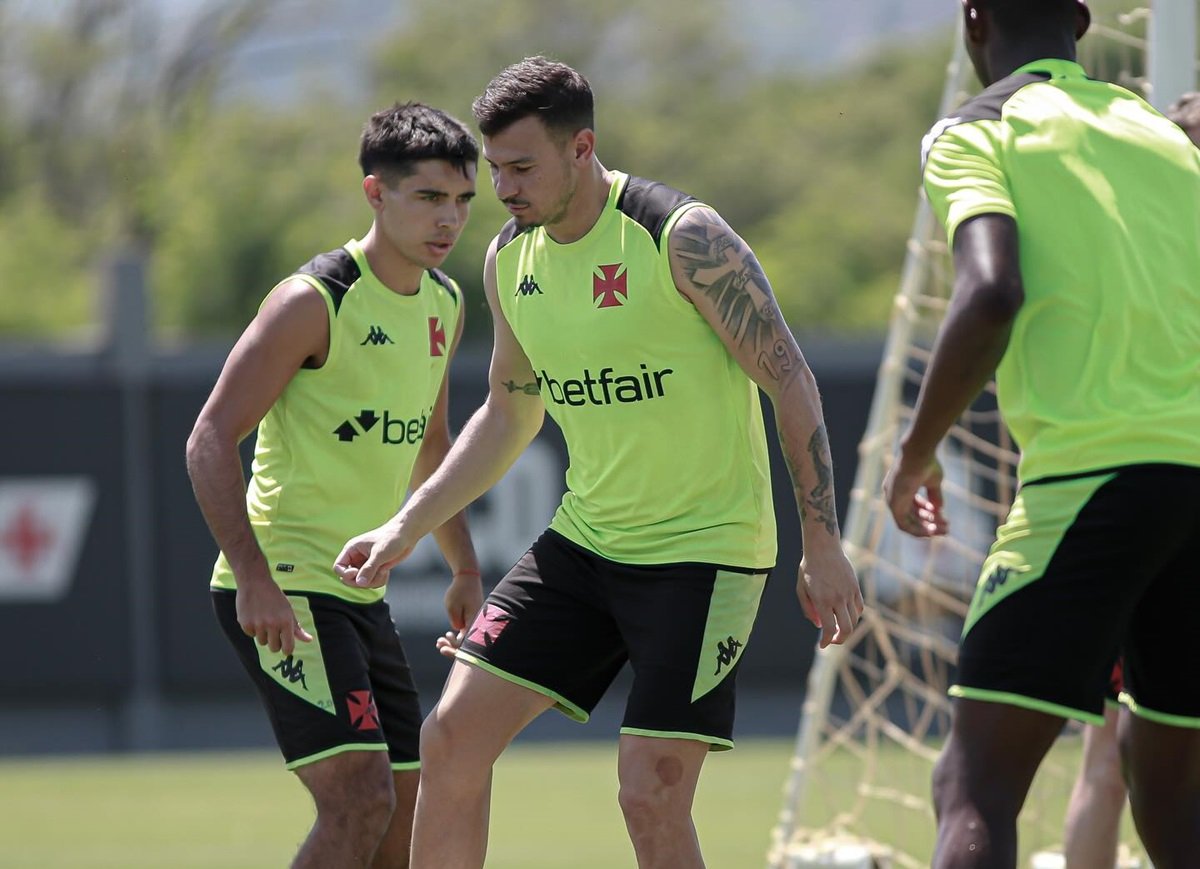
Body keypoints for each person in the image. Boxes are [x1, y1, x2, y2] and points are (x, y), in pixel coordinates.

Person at [334, 57, 864, 868]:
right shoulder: (511, 262)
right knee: (449, 739)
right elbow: (510, 413)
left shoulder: (682, 237)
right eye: (496, 169)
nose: (502, 190)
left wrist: (821, 541)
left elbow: (789, 378)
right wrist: (407, 526)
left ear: (581, 148)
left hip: (705, 553)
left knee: (648, 792)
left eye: (521, 168)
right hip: (585, 545)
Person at [883, 1, 1200, 867]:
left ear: (973, 20)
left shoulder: (975, 131)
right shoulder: (1166, 137)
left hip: (1093, 478)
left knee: (973, 784)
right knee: (1169, 784)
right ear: (1085, 21)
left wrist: (916, 453)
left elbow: (989, 293)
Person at [186, 101, 484, 869]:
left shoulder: (445, 305)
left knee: (399, 819)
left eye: (461, 201)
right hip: (286, 587)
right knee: (360, 798)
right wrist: (254, 577)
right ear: (375, 194)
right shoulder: (312, 301)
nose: (448, 220)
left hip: (359, 598)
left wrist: (463, 565)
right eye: (428, 198)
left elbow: (432, 445)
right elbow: (210, 439)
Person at [1060, 94, 1200, 869]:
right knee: (1113, 755)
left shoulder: (1131, 256)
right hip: (1150, 518)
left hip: (1149, 507)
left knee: (1122, 757)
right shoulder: (1145, 263)